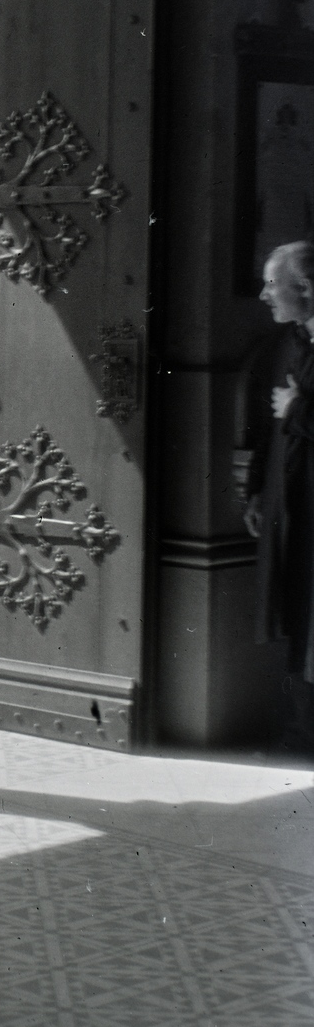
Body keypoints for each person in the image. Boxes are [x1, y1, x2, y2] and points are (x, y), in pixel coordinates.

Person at [243, 240, 314, 753]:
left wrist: (298, 410)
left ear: (305, 288)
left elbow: (289, 415)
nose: (265, 295)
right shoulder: (288, 344)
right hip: (292, 507)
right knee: (296, 615)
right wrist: (256, 493)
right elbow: (269, 429)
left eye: (273, 283)